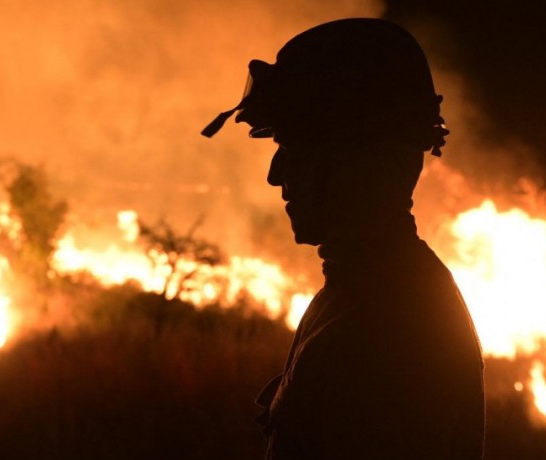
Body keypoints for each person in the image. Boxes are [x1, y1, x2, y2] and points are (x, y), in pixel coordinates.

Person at [203, 18, 485, 459]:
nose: (276, 174)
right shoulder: (357, 291)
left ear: (368, 159)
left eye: (299, 147)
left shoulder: (389, 329)